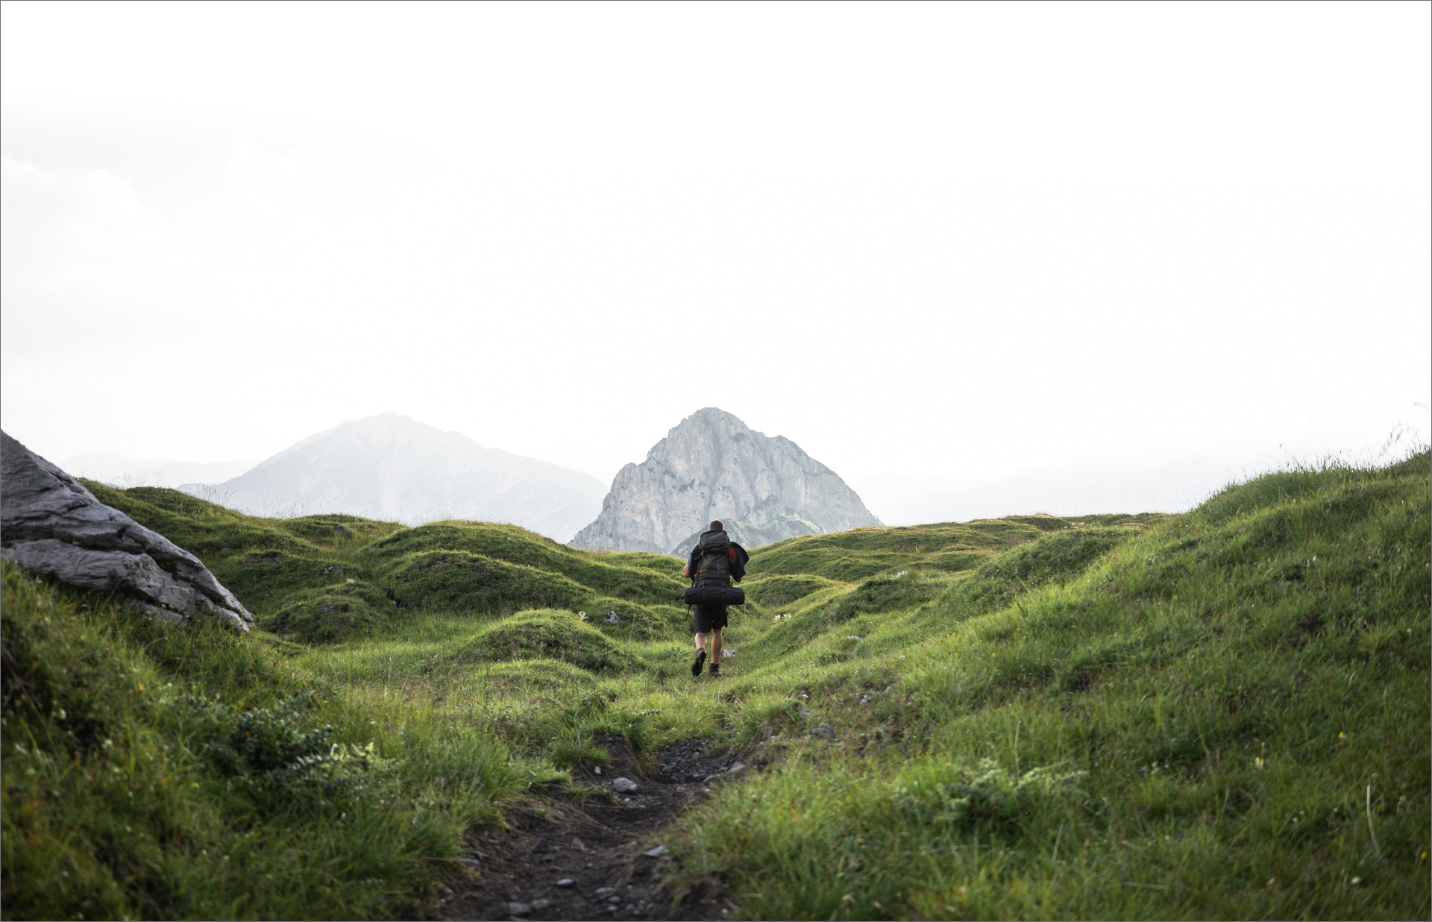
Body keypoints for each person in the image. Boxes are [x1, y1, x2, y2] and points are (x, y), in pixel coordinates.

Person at [682, 519, 747, 677]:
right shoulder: (729, 549)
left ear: (709, 531)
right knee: (717, 631)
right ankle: (714, 668)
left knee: (701, 633)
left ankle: (700, 651)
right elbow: (739, 578)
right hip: (721, 594)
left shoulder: (700, 548)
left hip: (701, 593)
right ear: (722, 531)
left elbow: (685, 573)